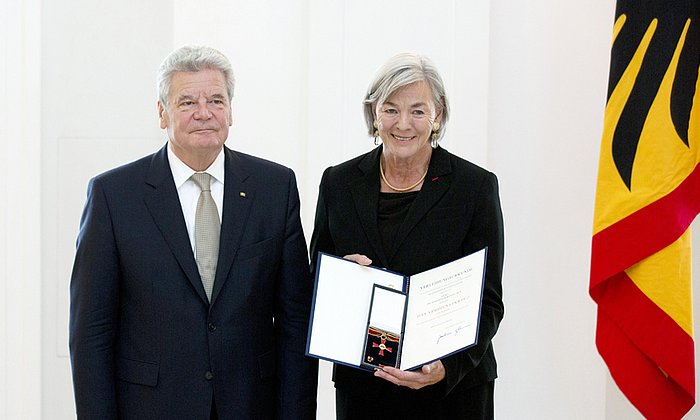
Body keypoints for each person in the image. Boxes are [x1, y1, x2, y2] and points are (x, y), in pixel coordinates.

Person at [69, 45, 318, 419]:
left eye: (216, 100)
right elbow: (91, 334)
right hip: (151, 408)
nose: (204, 113)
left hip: (251, 405)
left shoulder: (275, 187)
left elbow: (296, 321)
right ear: (161, 113)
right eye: (187, 102)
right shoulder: (114, 195)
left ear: (230, 111)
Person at [309, 52, 504, 419]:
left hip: (453, 392)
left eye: (417, 110)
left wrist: (446, 367)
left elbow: (489, 300)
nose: (403, 124)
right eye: (391, 109)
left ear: (438, 115)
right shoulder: (338, 182)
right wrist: (338, 278)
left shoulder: (474, 187)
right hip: (366, 389)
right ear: (374, 114)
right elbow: (314, 281)